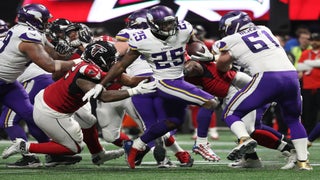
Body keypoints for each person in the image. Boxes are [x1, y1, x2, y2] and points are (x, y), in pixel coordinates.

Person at [82, 5, 219, 169]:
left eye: (170, 23)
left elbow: (192, 49)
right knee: (155, 125)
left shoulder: (181, 30)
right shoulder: (137, 38)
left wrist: (201, 54)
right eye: (164, 24)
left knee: (168, 122)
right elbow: (118, 64)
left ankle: (145, 148)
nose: (169, 27)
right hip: (145, 85)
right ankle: (176, 151)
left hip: (146, 84)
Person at [1, 40, 156, 160]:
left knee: (88, 121)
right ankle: (24, 146)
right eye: (111, 59)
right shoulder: (86, 74)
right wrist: (134, 91)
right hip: (52, 111)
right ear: (100, 60)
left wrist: (155, 77)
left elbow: (128, 80)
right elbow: (104, 96)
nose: (114, 62)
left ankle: (98, 154)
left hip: (57, 100)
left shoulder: (89, 64)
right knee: (74, 147)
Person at [213, 11, 311, 170]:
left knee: (231, 113)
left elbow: (222, 63)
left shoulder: (229, 40)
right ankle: (303, 163)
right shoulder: (264, 29)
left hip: (267, 79)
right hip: (291, 77)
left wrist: (223, 64)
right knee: (294, 120)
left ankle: (244, 139)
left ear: (231, 27)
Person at [0, 3, 78, 166]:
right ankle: (30, 156)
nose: (47, 22)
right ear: (33, 20)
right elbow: (49, 65)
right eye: (44, 19)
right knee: (8, 120)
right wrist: (77, 63)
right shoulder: (27, 36)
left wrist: (65, 52)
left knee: (31, 115)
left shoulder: (30, 32)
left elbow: (55, 56)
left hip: (9, 83)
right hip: (4, 80)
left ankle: (49, 153)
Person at [184, 60, 296, 169]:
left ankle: (290, 150)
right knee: (246, 130)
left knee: (250, 131)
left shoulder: (217, 63)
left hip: (250, 90)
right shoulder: (205, 69)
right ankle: (251, 159)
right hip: (243, 90)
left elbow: (241, 77)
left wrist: (269, 92)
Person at [296, 32, 320, 135]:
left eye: (317, 40)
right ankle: (309, 134)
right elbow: (299, 67)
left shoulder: (307, 56)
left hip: (319, 86)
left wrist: (307, 64)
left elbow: (304, 65)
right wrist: (315, 64)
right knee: (308, 112)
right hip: (307, 87)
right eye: (312, 40)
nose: (314, 42)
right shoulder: (306, 53)